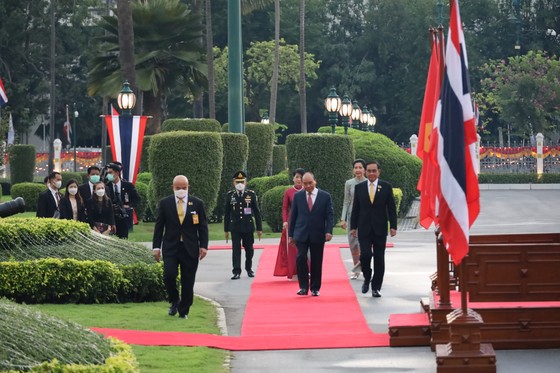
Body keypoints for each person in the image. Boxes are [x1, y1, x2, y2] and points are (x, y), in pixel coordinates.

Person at [152, 175, 209, 319]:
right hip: (171, 246)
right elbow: (159, 227)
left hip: (190, 247)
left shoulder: (196, 203)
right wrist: (156, 247)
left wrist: (204, 246)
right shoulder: (165, 203)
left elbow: (203, 226)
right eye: (178, 188)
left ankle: (184, 310)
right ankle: (174, 301)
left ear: (188, 187)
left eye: (184, 188)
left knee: (188, 280)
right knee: (169, 275)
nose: (181, 190)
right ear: (173, 188)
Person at [350, 161, 397, 298]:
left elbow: (391, 208)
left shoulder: (386, 187)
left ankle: (376, 287)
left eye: (374, 171)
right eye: (369, 171)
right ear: (365, 172)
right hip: (364, 228)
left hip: (380, 228)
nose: (371, 173)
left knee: (379, 258)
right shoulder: (359, 188)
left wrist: (393, 226)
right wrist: (353, 227)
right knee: (365, 255)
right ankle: (367, 276)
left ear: (378, 172)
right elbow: (356, 209)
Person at [288, 172, 334, 297]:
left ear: (315, 181)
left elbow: (329, 216)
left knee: (316, 261)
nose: (307, 186)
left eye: (310, 183)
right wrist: (290, 235)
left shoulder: (325, 196)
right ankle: (303, 287)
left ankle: (315, 288)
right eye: (305, 183)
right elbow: (293, 216)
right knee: (301, 257)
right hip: (301, 233)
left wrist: (329, 231)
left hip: (318, 233)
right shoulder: (298, 196)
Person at [224, 170, 262, 280]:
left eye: (242, 181)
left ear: (245, 182)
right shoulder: (230, 195)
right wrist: (226, 230)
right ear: (233, 182)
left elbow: (257, 212)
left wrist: (259, 228)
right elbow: (227, 214)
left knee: (249, 249)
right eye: (237, 182)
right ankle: (236, 271)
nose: (240, 184)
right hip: (235, 227)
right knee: (236, 249)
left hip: (248, 226)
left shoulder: (251, 194)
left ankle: (249, 269)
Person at [273, 168, 305, 279]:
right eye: (297, 177)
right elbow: (285, 208)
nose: (299, 180)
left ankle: (306, 269)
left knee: (305, 246)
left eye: (301, 177)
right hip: (292, 222)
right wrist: (285, 221)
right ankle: (293, 271)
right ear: (293, 178)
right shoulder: (289, 192)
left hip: (304, 221)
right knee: (292, 247)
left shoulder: (307, 190)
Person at [340, 159, 367, 280]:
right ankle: (356, 269)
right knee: (353, 245)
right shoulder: (349, 183)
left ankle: (365, 268)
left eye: (360, 167)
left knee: (364, 245)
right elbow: (346, 202)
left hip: (364, 218)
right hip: (352, 218)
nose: (358, 170)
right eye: (356, 168)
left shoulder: (368, 183)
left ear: (364, 170)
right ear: (353, 170)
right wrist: (343, 219)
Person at [105, 163, 140, 239]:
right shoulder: (106, 186)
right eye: (108, 173)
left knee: (123, 239)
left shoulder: (128, 185)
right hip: (111, 218)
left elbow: (137, 199)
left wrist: (129, 205)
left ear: (117, 173)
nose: (108, 175)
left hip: (124, 218)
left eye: (110, 172)